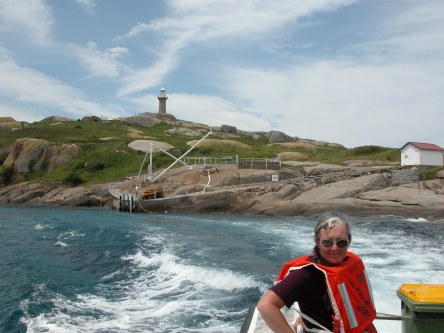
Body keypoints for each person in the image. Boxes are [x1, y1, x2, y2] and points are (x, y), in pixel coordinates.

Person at [257, 212, 378, 333]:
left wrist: (307, 315)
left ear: (349, 241)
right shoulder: (305, 274)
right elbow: (266, 305)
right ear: (317, 241)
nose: (335, 248)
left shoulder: (350, 265)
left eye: (341, 242)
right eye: (327, 242)